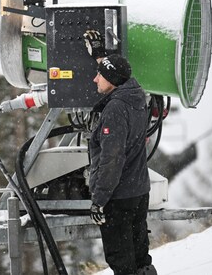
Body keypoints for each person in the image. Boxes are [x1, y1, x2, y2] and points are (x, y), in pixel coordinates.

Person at [83, 30, 157, 275]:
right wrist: (101, 58)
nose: (95, 79)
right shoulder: (136, 97)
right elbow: (119, 75)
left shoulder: (115, 109)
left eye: (99, 75)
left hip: (118, 196)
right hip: (138, 190)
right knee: (139, 258)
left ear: (112, 81)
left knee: (122, 262)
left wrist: (99, 200)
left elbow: (111, 159)